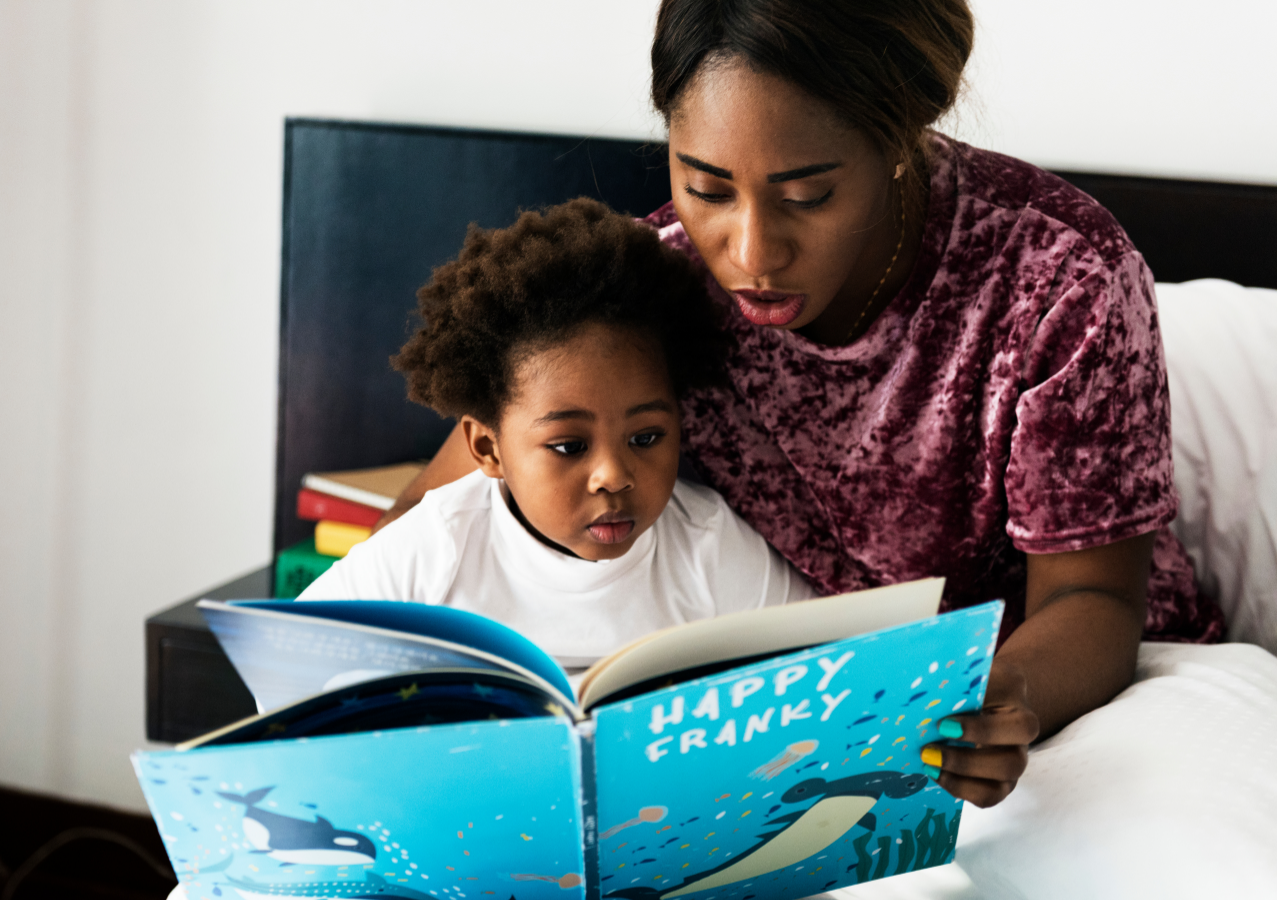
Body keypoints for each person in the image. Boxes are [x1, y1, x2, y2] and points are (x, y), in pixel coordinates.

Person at [376, 0, 1227, 817]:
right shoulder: (660, 280)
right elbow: (437, 505)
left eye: (807, 196)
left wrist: (985, 704)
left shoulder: (1059, 277)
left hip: (1048, 695)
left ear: (901, 138)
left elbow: (1095, 604)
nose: (751, 253)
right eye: (706, 188)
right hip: (795, 713)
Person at [300, 198, 815, 670]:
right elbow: (295, 665)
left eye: (646, 438)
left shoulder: (711, 548)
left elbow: (823, 666)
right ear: (487, 447)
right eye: (569, 446)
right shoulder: (434, 550)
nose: (613, 476)